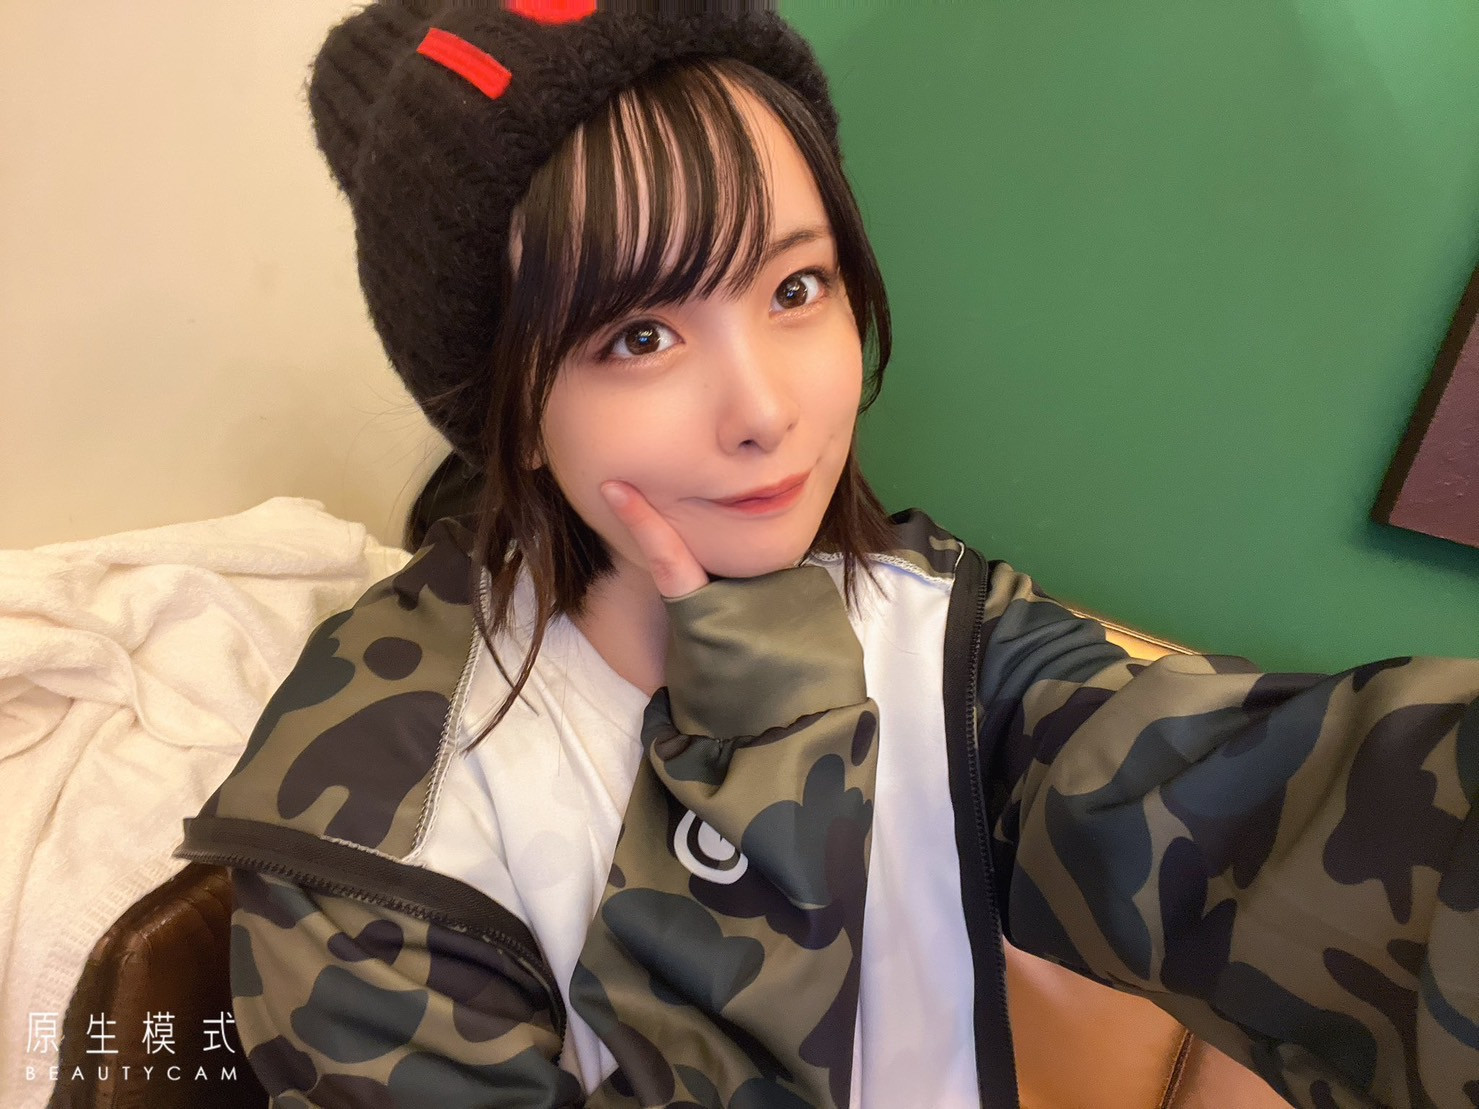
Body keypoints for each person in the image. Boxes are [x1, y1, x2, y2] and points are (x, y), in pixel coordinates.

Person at [177, 3, 1479, 1107]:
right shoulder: (373, 834)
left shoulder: (929, 623)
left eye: (794, 288)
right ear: (507, 402)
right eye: (639, 336)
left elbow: (1275, 817)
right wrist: (770, 749)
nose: (764, 408)